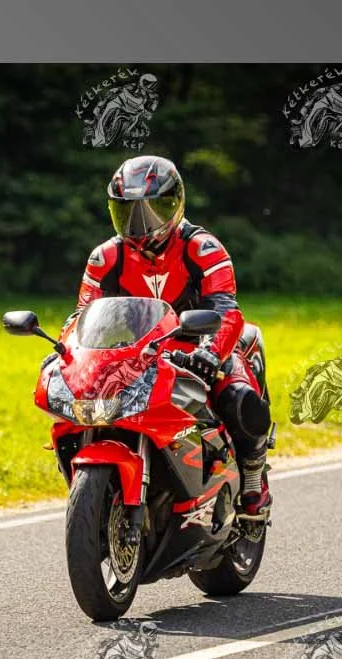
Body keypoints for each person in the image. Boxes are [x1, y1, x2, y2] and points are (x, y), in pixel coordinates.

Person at [59, 155, 273, 525]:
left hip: (199, 348)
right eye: (127, 211)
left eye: (151, 209)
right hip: (136, 355)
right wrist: (67, 354)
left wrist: (211, 353)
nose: (139, 223)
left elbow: (226, 309)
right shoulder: (105, 256)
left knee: (242, 401)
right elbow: (82, 316)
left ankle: (253, 484)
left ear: (176, 203)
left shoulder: (202, 247)